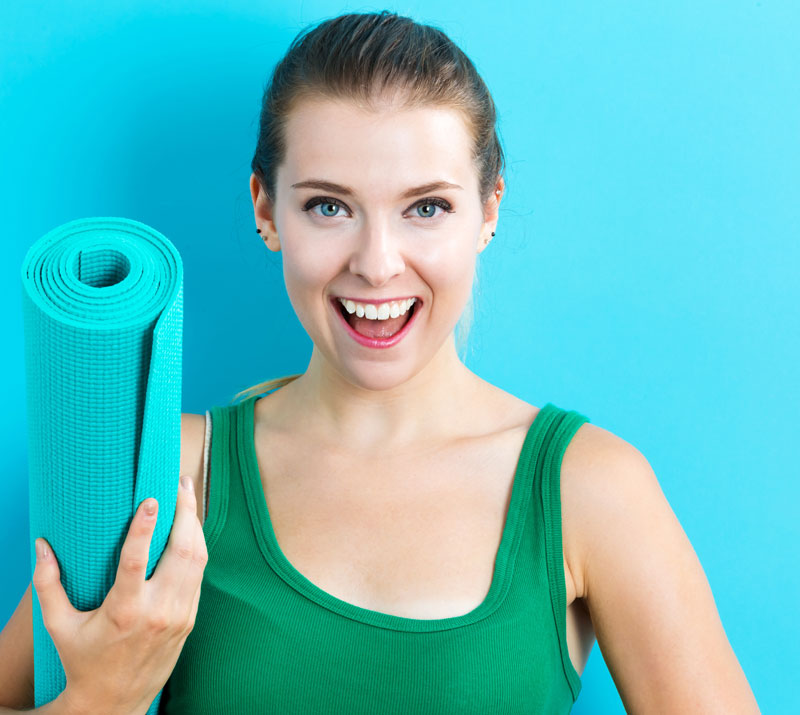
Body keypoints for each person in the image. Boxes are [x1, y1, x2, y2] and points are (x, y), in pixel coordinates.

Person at [0, 10, 760, 714]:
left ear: (488, 210)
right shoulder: (163, 474)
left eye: (426, 207)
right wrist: (98, 701)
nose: (377, 263)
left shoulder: (587, 489)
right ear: (266, 210)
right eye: (328, 206)